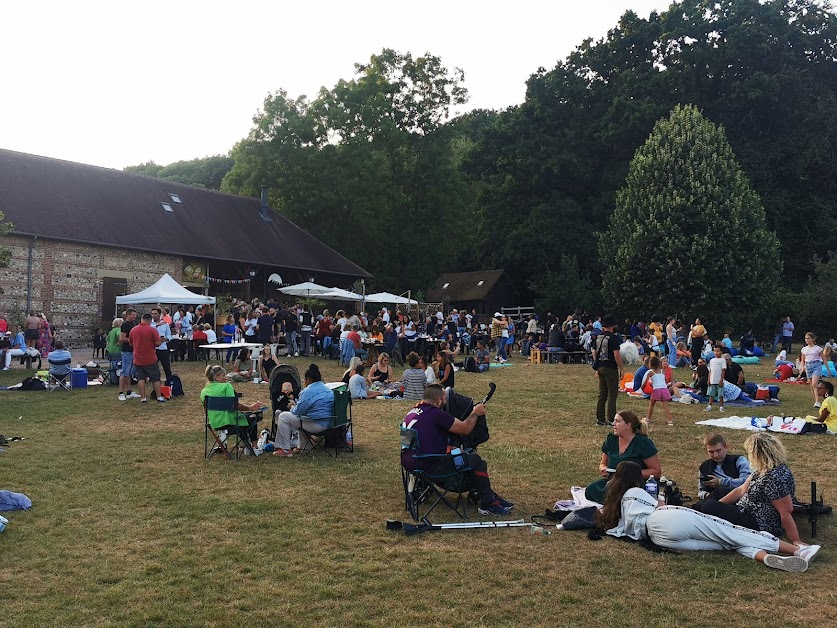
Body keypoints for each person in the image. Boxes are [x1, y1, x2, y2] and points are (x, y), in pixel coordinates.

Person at [598, 461, 820, 573]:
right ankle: (799, 550)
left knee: (724, 544)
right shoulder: (634, 492)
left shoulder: (614, 506)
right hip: (664, 519)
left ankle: (763, 557)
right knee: (730, 532)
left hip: (658, 538)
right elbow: (661, 505)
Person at [400, 384, 513, 515]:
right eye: (444, 398)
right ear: (439, 400)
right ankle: (487, 503)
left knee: (459, 454)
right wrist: (475, 412)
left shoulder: (411, 412)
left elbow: (421, 439)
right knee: (474, 460)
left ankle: (489, 495)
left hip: (411, 463)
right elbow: (465, 429)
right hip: (430, 466)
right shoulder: (436, 414)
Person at [693, 432, 802, 544]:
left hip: (758, 520)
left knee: (708, 506)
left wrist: (796, 540)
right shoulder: (762, 468)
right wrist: (720, 505)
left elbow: (786, 511)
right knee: (719, 493)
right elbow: (740, 490)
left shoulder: (774, 477)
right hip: (747, 506)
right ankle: (694, 512)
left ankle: (695, 516)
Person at [585, 410, 661, 503]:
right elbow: (603, 463)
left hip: (636, 483)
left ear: (628, 425)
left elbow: (656, 472)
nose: (613, 424)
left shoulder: (643, 443)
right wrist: (603, 469)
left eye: (617, 421)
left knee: (618, 494)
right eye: (614, 421)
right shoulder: (611, 440)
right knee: (591, 490)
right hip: (614, 481)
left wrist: (629, 474)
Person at [273, 364, 334, 457]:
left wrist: (292, 406)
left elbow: (297, 411)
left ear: (308, 380)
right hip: (328, 422)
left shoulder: (308, 391)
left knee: (283, 416)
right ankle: (304, 446)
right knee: (302, 417)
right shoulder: (327, 389)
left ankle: (285, 449)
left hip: (316, 424)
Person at [201, 365, 264, 454]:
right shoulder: (226, 386)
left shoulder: (204, 391)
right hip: (229, 422)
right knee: (252, 417)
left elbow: (206, 410)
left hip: (215, 424)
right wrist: (249, 408)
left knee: (242, 418)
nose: (225, 378)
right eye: (223, 375)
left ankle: (245, 445)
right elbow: (234, 405)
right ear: (216, 377)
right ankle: (254, 447)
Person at [591, 314, 625, 427]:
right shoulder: (614, 338)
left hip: (600, 366)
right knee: (612, 394)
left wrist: (597, 364)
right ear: (613, 325)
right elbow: (616, 355)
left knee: (602, 394)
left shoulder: (598, 337)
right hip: (610, 367)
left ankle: (600, 419)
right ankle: (611, 419)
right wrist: (622, 368)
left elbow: (594, 352)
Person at [697, 433, 751, 501]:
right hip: (714, 499)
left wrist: (721, 482)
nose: (715, 455)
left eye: (718, 450)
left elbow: (747, 482)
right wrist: (707, 496)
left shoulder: (739, 460)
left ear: (726, 447)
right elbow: (701, 491)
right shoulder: (704, 467)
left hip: (739, 499)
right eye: (711, 452)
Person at [128, 312, 166, 403]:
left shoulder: (133, 330)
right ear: (149, 320)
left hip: (138, 358)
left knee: (141, 378)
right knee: (155, 378)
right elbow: (157, 344)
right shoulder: (152, 330)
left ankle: (143, 398)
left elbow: (130, 343)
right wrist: (161, 340)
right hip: (150, 358)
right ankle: (159, 396)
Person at [641, 356, 674, 426]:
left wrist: (642, 388)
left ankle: (648, 418)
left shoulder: (650, 372)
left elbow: (645, 382)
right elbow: (665, 380)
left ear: (650, 364)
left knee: (652, 404)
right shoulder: (662, 371)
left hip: (656, 390)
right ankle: (670, 420)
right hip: (664, 389)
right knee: (665, 405)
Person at [118, 309, 141, 401]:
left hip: (132, 351)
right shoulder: (125, 325)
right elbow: (122, 338)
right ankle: (121, 393)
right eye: (133, 315)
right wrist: (133, 340)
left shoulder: (133, 325)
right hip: (127, 351)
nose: (134, 317)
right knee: (125, 372)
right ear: (127, 315)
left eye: (135, 315)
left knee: (129, 373)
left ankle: (129, 391)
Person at [800, 332, 824, 409]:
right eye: (806, 338)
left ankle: (817, 401)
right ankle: (816, 400)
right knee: (811, 385)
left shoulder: (818, 348)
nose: (807, 340)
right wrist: (802, 368)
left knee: (814, 384)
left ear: (813, 339)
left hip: (816, 365)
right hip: (808, 366)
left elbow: (823, 358)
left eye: (808, 338)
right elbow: (802, 360)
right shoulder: (804, 349)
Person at [151, 307, 173, 383]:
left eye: (155, 314)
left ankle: (169, 380)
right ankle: (155, 380)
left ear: (159, 314)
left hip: (163, 348)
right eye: (152, 314)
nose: (153, 315)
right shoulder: (150, 324)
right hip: (153, 348)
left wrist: (165, 339)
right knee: (153, 367)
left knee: (166, 366)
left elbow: (169, 336)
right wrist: (157, 325)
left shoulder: (165, 324)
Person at [705, 345, 726, 412]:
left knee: (720, 395)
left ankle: (721, 406)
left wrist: (721, 380)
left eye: (718, 351)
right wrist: (709, 379)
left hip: (719, 380)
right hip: (712, 380)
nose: (716, 352)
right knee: (711, 394)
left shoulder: (722, 360)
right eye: (715, 351)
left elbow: (723, 371)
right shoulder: (712, 360)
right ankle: (709, 406)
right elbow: (710, 371)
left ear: (721, 352)